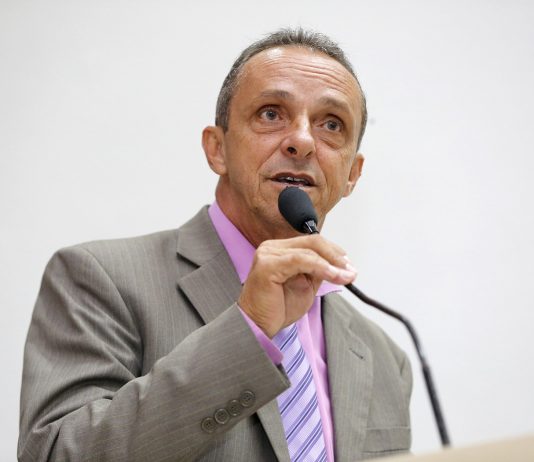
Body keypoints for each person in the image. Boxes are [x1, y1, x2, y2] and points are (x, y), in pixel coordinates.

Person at [18, 28, 412, 462]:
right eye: (271, 114)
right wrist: (248, 329)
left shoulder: (385, 358)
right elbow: (57, 454)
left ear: (352, 174)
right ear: (217, 149)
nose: (301, 141)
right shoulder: (100, 278)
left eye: (331, 124)